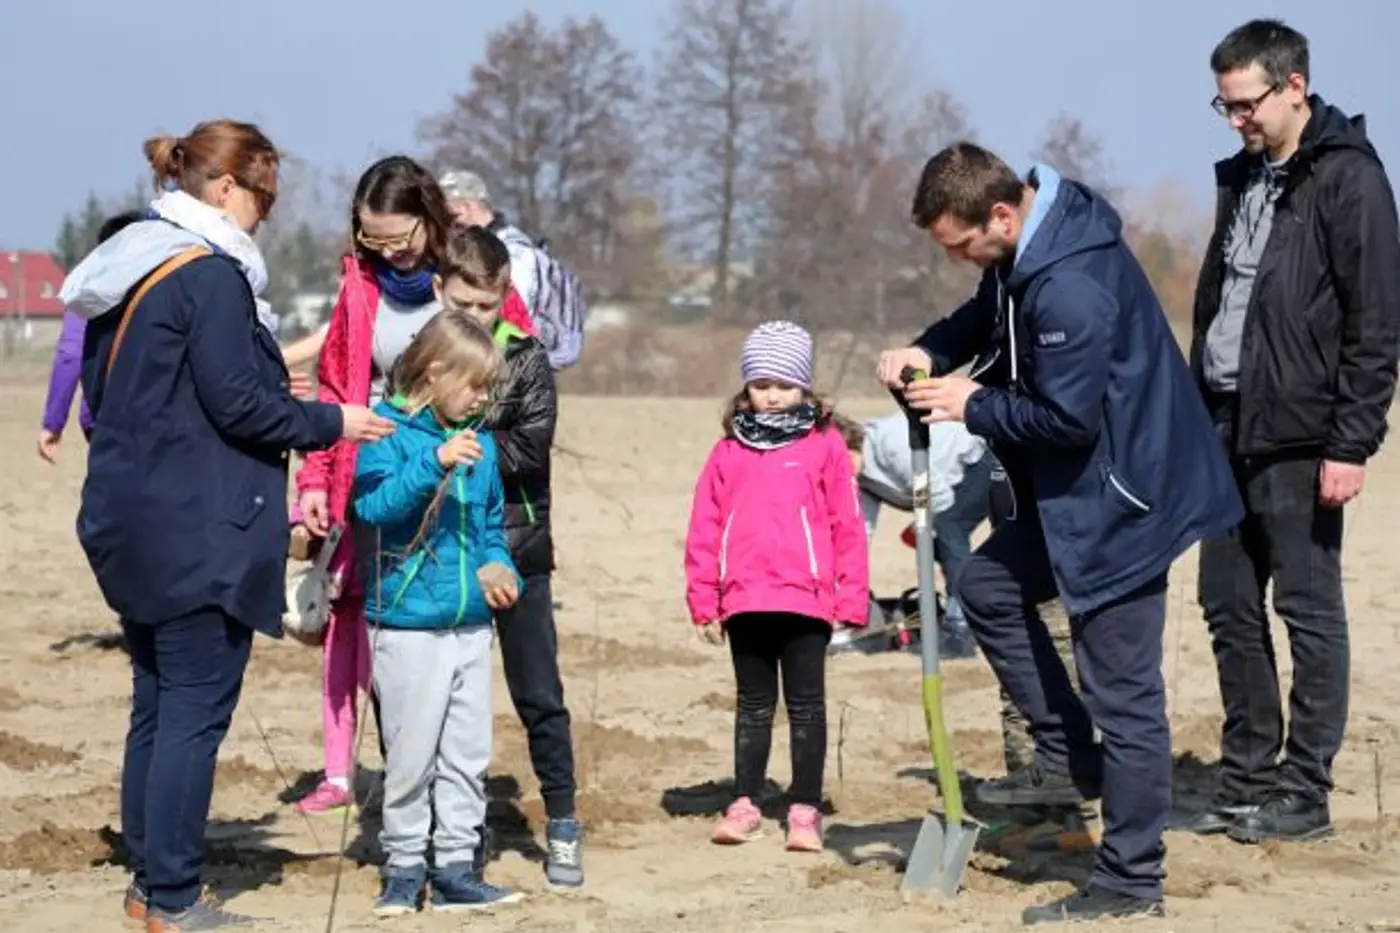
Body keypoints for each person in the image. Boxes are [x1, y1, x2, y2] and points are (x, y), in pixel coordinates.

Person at [878, 143, 1242, 924]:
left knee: (1126, 695)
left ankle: (1132, 879)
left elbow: (1067, 420)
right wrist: (929, 349)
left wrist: (970, 404)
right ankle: (1077, 757)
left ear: (1000, 216)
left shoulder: (1071, 283)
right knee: (985, 585)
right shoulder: (1023, 253)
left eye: (961, 245)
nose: (958, 259)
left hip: (1126, 502)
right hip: (1076, 496)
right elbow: (985, 313)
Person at [58, 118, 393, 932]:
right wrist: (334, 421)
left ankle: (148, 880)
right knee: (192, 712)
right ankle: (174, 897)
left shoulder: (130, 265)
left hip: (128, 517)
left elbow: (139, 390)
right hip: (193, 528)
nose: (265, 215)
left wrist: (271, 386)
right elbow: (239, 406)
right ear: (225, 187)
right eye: (263, 199)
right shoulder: (209, 275)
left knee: (157, 699)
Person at [1185, 20, 1400, 844]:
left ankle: (1305, 791)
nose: (1236, 119)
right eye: (1225, 105)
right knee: (1226, 604)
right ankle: (1246, 778)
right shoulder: (1242, 177)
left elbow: (1375, 324)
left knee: (1306, 609)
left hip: (1304, 434)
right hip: (1224, 424)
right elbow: (1225, 301)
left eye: (1246, 104)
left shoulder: (1351, 180)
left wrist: (1351, 442)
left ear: (1295, 87)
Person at [293, 157, 533, 817]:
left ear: (429, 218)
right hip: (377, 470)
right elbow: (335, 388)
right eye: (373, 239)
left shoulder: (467, 274)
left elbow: (517, 358)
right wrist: (316, 476)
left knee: (440, 636)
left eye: (399, 237)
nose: (389, 251)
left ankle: (440, 786)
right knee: (366, 626)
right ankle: (367, 778)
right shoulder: (360, 286)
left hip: (463, 475)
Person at [353, 309, 524, 915]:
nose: (482, 400)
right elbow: (374, 509)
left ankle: (456, 868)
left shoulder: (481, 445)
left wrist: (501, 569)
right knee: (410, 755)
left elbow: (490, 529)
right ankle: (403, 868)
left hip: (470, 625)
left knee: (467, 755)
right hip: (407, 626)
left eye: (488, 389)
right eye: (474, 386)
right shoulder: (386, 433)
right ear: (434, 372)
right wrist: (434, 462)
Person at [433, 225, 584, 886]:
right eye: (461, 303)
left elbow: (531, 447)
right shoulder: (421, 354)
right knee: (447, 702)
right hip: (442, 551)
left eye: (486, 305)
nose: (474, 316)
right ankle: (459, 831)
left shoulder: (526, 359)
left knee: (538, 692)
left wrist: (462, 445)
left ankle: (564, 821)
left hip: (518, 549)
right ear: (439, 290)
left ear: (504, 297)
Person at [685, 321, 869, 853]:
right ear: (746, 388)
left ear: (804, 387)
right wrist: (703, 601)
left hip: (806, 601)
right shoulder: (727, 452)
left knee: (807, 705)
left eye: (784, 385)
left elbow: (847, 525)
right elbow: (704, 528)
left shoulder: (826, 446)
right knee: (753, 704)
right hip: (745, 599)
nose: (772, 395)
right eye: (761, 384)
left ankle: (805, 808)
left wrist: (851, 596)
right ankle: (745, 803)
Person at [37, 210, 143, 464]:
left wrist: (53, 423)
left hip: (104, 420)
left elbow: (70, 354)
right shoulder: (170, 285)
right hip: (163, 419)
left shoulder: (90, 290)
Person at [439, 170, 541, 313]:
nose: (443, 222)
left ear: (466, 208)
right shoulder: (492, 246)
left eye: (446, 212)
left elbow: (516, 312)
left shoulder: (513, 252)